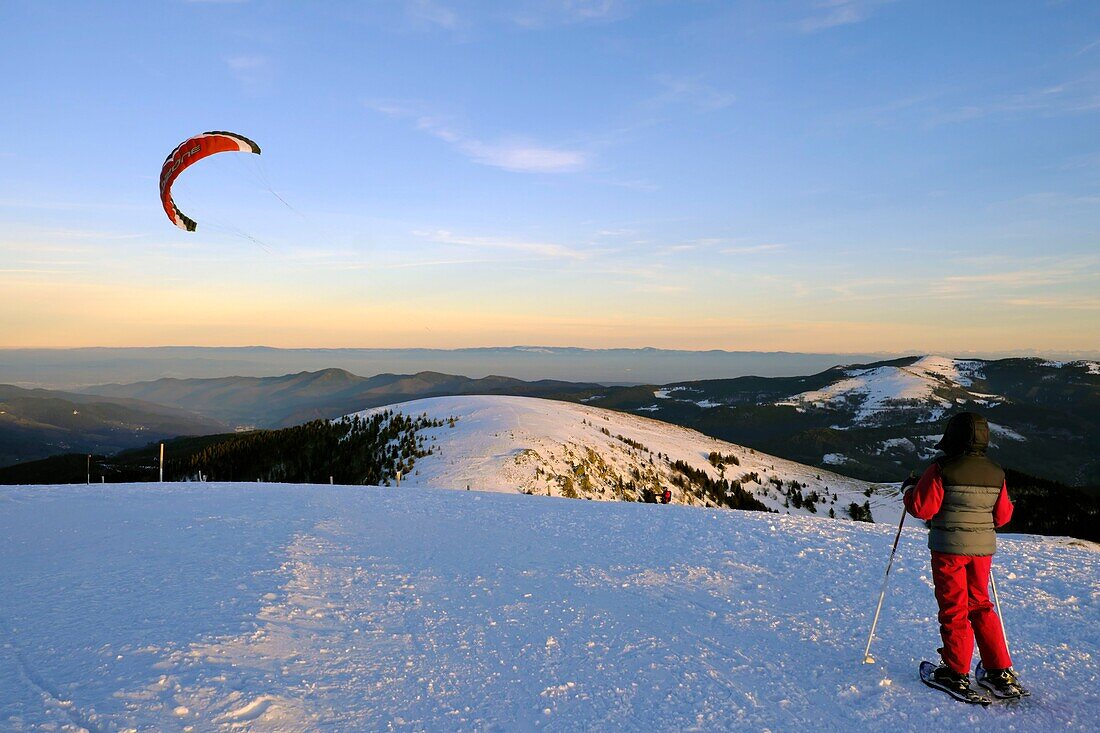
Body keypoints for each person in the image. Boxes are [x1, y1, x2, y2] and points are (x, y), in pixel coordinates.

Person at [903, 411, 1026, 699]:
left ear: (952, 438)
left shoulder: (942, 468)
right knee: (981, 605)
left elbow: (922, 509)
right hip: (982, 552)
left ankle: (955, 672)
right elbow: (1003, 516)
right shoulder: (997, 473)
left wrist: (909, 489)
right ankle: (999, 671)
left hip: (948, 550)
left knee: (954, 608)